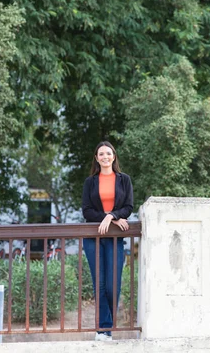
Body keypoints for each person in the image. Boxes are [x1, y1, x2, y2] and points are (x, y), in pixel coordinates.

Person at [81, 141, 133, 342]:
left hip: (114, 238)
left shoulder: (124, 180)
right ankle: (104, 329)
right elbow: (86, 211)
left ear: (114, 156)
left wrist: (110, 216)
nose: (105, 157)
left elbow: (128, 207)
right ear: (96, 158)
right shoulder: (90, 182)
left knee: (113, 285)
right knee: (100, 285)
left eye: (108, 153)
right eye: (101, 153)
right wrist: (109, 216)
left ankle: (105, 327)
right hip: (93, 239)